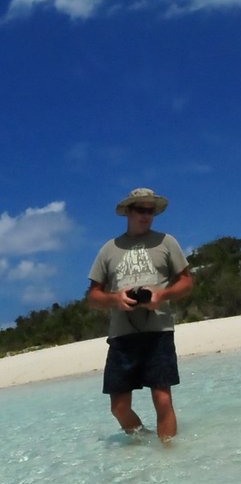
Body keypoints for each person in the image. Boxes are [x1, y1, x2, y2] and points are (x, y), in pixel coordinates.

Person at [87, 187, 193, 441]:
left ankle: (168, 457)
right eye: (140, 209)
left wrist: (161, 295)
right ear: (128, 211)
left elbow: (187, 282)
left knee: (163, 399)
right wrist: (115, 299)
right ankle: (142, 441)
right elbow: (92, 296)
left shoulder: (167, 242)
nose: (146, 215)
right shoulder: (108, 249)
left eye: (150, 210)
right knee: (118, 407)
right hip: (122, 335)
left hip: (158, 331)